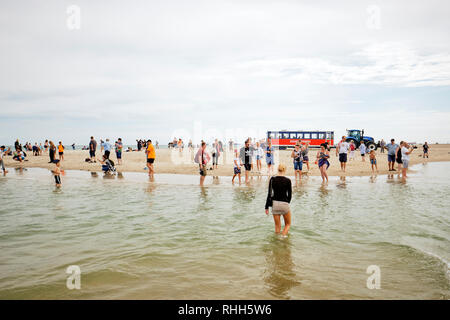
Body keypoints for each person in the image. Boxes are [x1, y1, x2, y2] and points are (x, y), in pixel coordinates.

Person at [265, 164, 292, 237]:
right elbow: (290, 195)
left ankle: (277, 242)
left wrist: (266, 207)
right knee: (288, 224)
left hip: (275, 204)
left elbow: (269, 194)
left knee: (277, 227)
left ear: (278, 169)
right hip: (284, 204)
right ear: (284, 170)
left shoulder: (272, 179)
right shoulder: (288, 180)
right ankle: (282, 237)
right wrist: (287, 202)